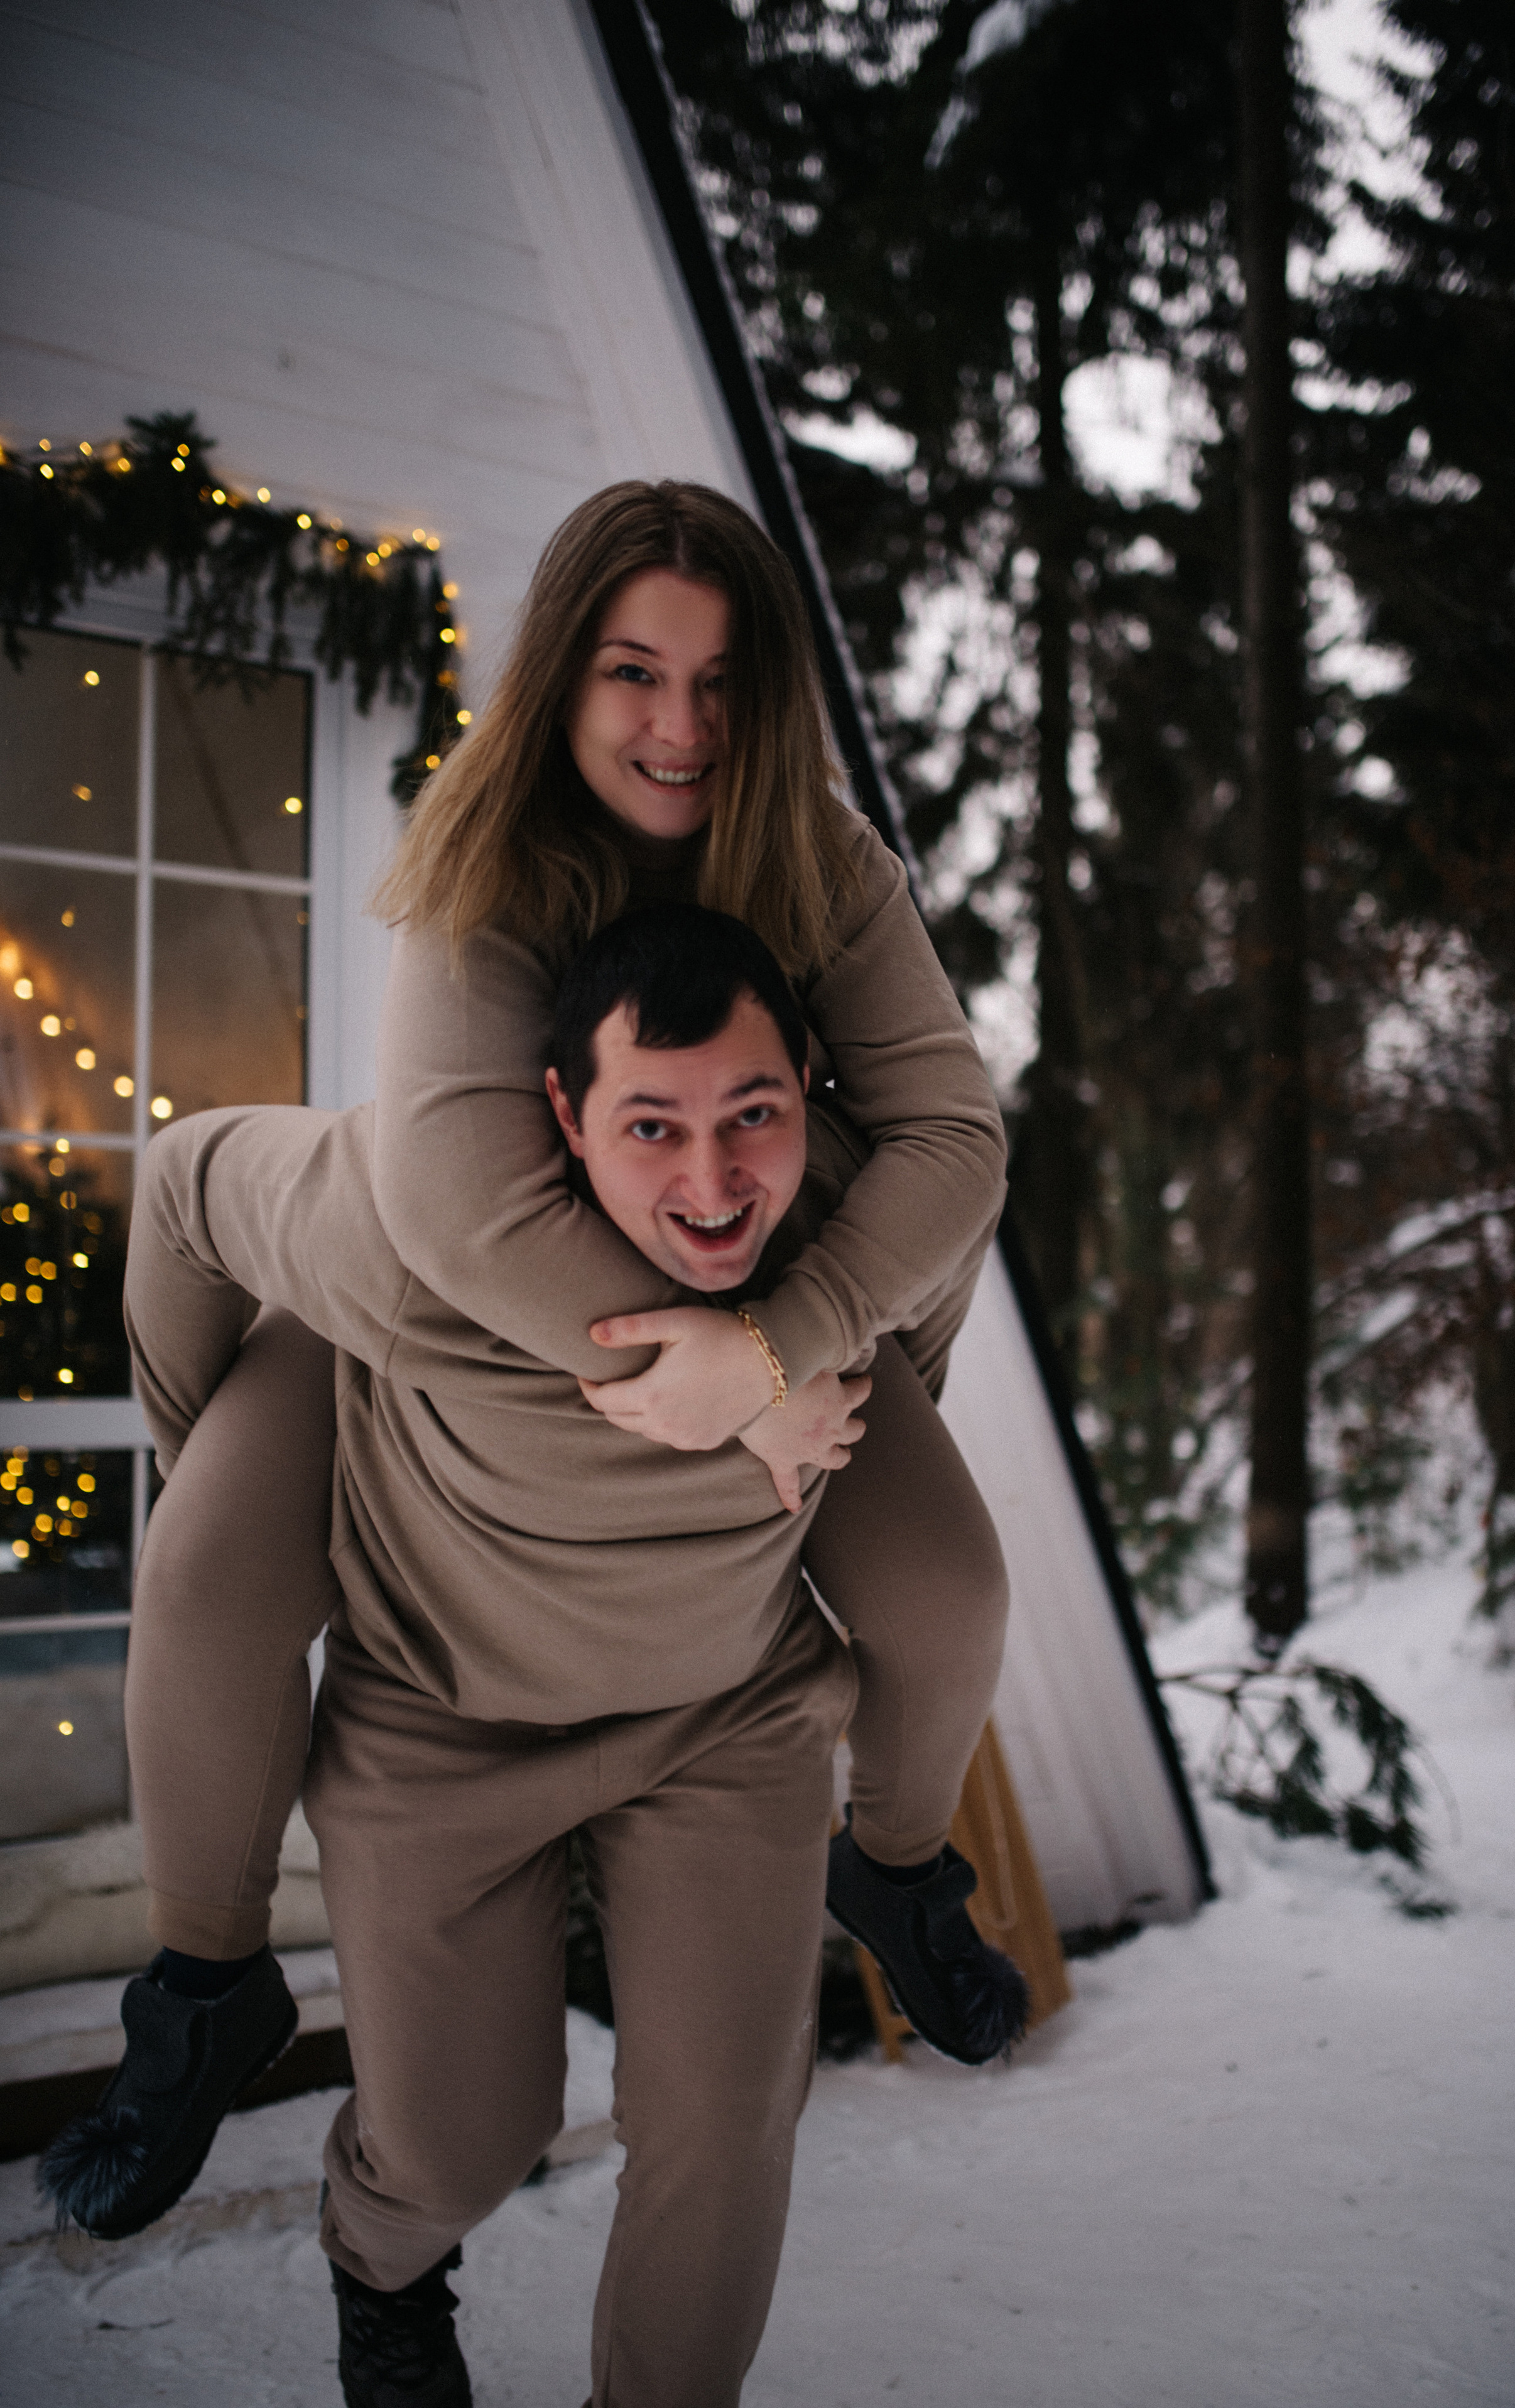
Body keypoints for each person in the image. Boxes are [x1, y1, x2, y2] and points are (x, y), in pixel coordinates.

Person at [43, 480, 1017, 2225]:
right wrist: (739, 1400)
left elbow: (953, 1141)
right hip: (401, 1278)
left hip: (735, 1292)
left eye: (722, 683)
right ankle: (202, 1989)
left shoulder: (825, 855)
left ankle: (899, 1873)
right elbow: (460, 1211)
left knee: (949, 1590)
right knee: (202, 1571)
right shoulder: (488, 841)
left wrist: (794, 1351)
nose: (680, 727)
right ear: (562, 674)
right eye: (636, 671)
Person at [55, 907, 1023, 2408]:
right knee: (459, 2139)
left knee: (723, 2135)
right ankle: (380, 2270)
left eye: (753, 1115)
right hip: (442, 1723)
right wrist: (236, 1469)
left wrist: (816, 1363)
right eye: (651, 1125)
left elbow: (933, 1269)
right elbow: (180, 1185)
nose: (711, 1184)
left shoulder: (842, 1218)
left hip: (727, 1721)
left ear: (810, 1085)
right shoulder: (398, 1224)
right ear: (559, 1116)